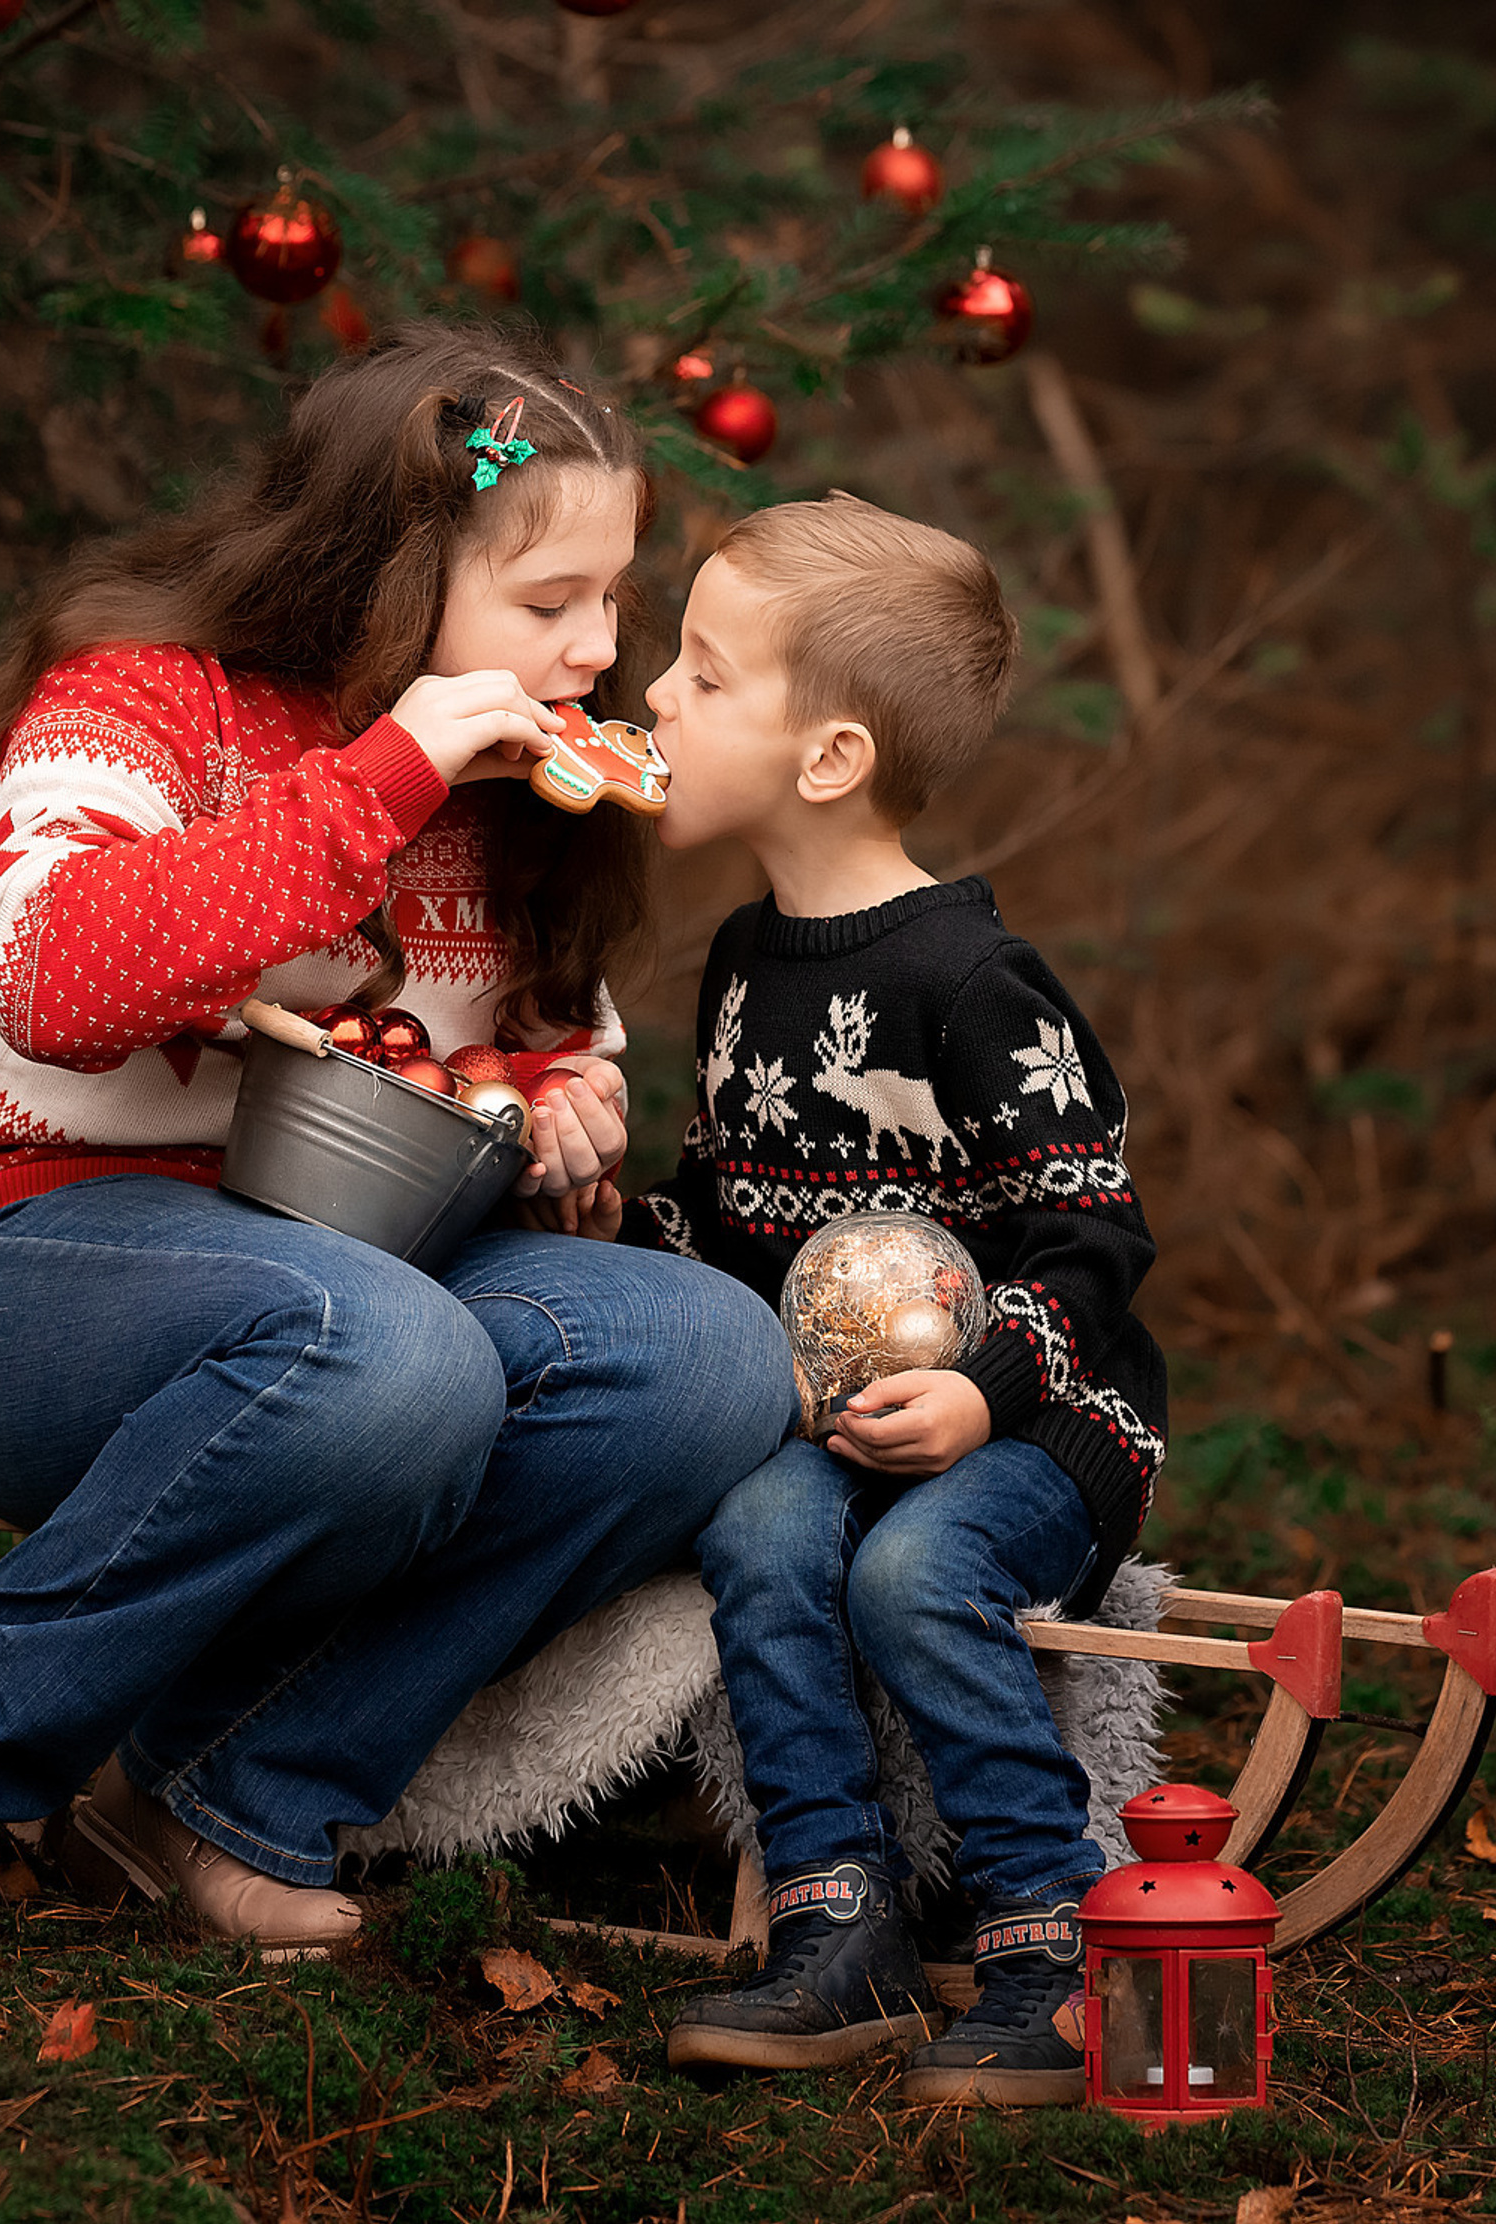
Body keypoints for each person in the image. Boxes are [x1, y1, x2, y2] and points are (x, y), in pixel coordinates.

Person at [0, 324, 795, 1959]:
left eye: (611, 597)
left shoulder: (534, 795)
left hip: (373, 1290)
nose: (593, 650)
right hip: (40, 1271)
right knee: (385, 1348)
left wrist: (561, 1119)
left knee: (706, 1356)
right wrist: (385, 775)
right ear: (387, 573)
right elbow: (55, 978)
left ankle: (223, 1790)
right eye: (546, 602)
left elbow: (518, 1063)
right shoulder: (135, 701)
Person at [574, 494, 1167, 2107]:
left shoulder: (975, 988)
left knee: (912, 1576)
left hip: (1043, 1418)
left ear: (826, 756)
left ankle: (1051, 1948)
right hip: (836, 1415)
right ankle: (841, 1929)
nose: (654, 701)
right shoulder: (747, 966)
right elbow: (729, 1224)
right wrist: (605, 1223)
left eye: (701, 674)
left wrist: (987, 1391)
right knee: (761, 1534)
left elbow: (1096, 1243)